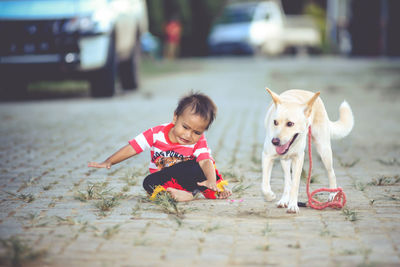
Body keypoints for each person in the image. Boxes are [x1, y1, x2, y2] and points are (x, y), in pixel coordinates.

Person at [88, 92, 231, 202]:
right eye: (185, 127)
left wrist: (211, 180)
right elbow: (133, 147)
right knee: (148, 182)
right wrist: (109, 161)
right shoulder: (156, 134)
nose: (188, 135)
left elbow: (205, 161)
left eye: (197, 132)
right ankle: (178, 194)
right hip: (167, 178)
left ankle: (209, 189)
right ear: (175, 117)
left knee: (200, 166)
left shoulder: (199, 141)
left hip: (190, 175)